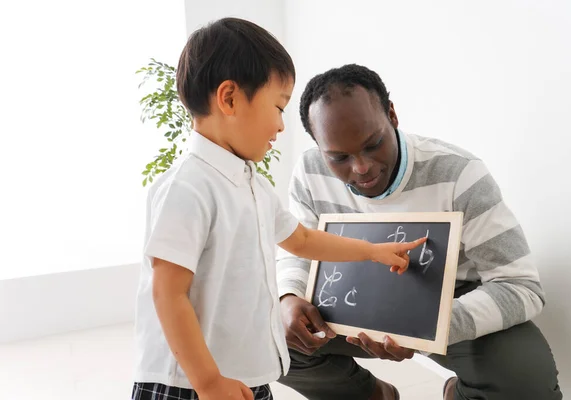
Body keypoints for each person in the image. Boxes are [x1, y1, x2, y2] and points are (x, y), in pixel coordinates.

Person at [131, 21, 425, 400]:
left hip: (241, 374)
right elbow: (168, 294)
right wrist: (207, 383)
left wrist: (371, 251)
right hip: (187, 382)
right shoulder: (187, 187)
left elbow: (301, 239)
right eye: (278, 106)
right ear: (230, 99)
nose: (281, 126)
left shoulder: (250, 182)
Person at [276, 64, 563, 400]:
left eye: (373, 144)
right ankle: (370, 395)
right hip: (348, 298)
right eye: (339, 157)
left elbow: (522, 286)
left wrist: (423, 326)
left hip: (451, 300)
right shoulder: (309, 172)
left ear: (392, 115)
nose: (361, 167)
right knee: (263, 334)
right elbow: (299, 248)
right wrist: (289, 297)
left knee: (526, 379)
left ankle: (459, 393)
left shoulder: (459, 174)